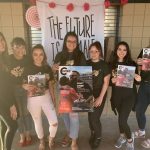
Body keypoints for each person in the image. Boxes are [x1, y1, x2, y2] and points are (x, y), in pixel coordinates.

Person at [53, 32, 86, 150]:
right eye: (69, 41)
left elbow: (83, 74)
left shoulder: (80, 55)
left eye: (74, 41)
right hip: (62, 88)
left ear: (77, 43)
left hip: (75, 89)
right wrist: (54, 68)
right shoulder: (59, 55)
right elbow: (55, 74)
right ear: (65, 42)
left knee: (74, 115)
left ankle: (74, 141)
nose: (71, 43)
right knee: (65, 113)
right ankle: (70, 133)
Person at [22, 44, 58, 150]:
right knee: (37, 120)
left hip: (46, 96)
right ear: (32, 55)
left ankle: (51, 138)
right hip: (32, 98)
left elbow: (50, 84)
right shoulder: (27, 68)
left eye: (41, 54)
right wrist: (24, 86)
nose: (38, 57)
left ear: (44, 56)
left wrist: (53, 97)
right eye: (35, 54)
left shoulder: (47, 68)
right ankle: (42, 140)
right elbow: (22, 84)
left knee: (54, 122)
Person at [110, 41, 141, 150]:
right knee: (120, 119)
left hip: (129, 96)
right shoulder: (111, 64)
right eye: (119, 49)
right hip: (117, 96)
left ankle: (130, 139)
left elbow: (136, 82)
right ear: (116, 50)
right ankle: (122, 135)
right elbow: (109, 82)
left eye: (124, 50)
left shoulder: (132, 63)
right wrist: (111, 81)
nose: (122, 52)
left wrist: (139, 79)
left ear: (127, 51)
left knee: (123, 120)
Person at [7, 37, 32, 147]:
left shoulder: (28, 59)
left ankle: (28, 134)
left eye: (22, 47)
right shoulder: (8, 60)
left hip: (26, 89)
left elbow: (32, 72)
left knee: (26, 112)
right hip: (14, 90)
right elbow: (6, 79)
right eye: (17, 47)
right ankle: (21, 135)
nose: (20, 50)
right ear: (12, 48)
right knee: (18, 114)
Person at [86, 41, 110, 149]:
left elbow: (106, 83)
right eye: (91, 51)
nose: (94, 53)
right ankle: (93, 133)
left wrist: (100, 97)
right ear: (89, 52)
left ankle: (98, 137)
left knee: (95, 118)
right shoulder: (86, 63)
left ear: (100, 52)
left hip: (100, 93)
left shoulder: (104, 65)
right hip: (88, 94)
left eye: (96, 51)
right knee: (90, 117)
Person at [0, 32, 18, 150]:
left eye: (2, 40)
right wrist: (11, 105)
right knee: (12, 126)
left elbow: (5, 79)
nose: (2, 43)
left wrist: (11, 74)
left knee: (5, 126)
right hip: (3, 99)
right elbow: (2, 86)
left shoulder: (3, 58)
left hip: (6, 97)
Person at [133, 47, 150, 149]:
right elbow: (140, 68)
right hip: (144, 85)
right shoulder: (146, 51)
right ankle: (141, 131)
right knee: (139, 110)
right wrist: (139, 63)